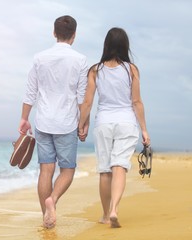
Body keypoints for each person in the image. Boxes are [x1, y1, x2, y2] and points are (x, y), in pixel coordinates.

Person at [18, 15, 88, 229]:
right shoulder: (80, 60)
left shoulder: (39, 58)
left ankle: (46, 217)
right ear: (74, 35)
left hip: (43, 121)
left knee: (45, 170)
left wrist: (24, 117)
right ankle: (53, 200)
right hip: (67, 122)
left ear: (54, 33)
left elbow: (31, 91)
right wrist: (83, 123)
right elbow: (82, 97)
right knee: (67, 170)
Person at [78, 27, 150, 228]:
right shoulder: (131, 69)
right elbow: (136, 102)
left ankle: (104, 214)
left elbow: (87, 103)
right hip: (126, 122)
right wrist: (144, 129)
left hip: (104, 123)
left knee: (105, 171)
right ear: (125, 46)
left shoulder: (95, 70)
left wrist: (81, 124)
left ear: (106, 45)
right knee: (120, 166)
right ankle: (114, 210)